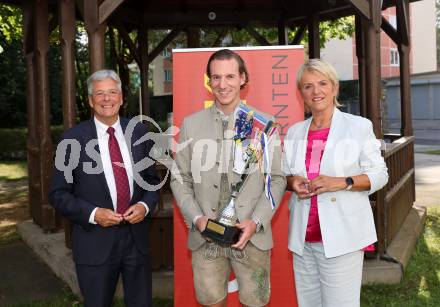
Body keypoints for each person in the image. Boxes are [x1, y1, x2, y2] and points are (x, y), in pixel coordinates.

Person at [171, 49, 286, 307]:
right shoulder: (191, 124)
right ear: (209, 81)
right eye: (216, 77)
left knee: (256, 301)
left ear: (243, 78)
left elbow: (277, 179)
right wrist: (197, 218)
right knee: (210, 301)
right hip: (206, 236)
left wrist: (255, 222)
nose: (223, 85)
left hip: (251, 236)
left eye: (230, 76)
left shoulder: (263, 124)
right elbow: (179, 179)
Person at [49, 69, 159, 307]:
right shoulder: (71, 140)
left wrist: (144, 205)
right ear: (90, 100)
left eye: (112, 92)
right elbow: (58, 194)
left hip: (136, 241)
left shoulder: (139, 132)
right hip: (94, 243)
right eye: (100, 94)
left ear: (121, 98)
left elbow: (152, 181)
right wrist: (93, 214)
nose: (107, 98)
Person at [282, 59, 388, 307]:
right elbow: (284, 175)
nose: (316, 91)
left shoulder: (359, 127)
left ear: (335, 88)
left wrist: (342, 182)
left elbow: (380, 174)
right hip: (303, 239)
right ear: (301, 94)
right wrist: (292, 182)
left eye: (322, 83)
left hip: (343, 237)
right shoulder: (295, 132)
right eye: (308, 86)